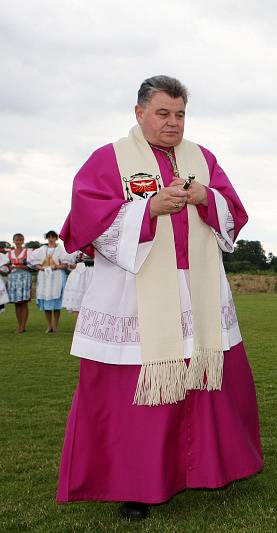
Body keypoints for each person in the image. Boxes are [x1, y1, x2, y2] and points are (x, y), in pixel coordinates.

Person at [56, 75, 262, 520]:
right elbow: (85, 220)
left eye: (181, 114)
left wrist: (205, 196)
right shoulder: (109, 159)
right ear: (139, 113)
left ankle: (206, 469)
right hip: (136, 294)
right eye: (163, 113)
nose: (173, 123)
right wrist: (148, 208)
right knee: (134, 397)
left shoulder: (202, 158)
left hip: (198, 291)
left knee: (203, 385)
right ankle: (136, 483)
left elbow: (233, 210)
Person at [30, 230, 70, 332]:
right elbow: (34, 262)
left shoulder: (61, 249)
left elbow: (65, 264)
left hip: (57, 276)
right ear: (47, 238)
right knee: (46, 302)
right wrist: (40, 267)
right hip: (44, 277)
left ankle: (55, 326)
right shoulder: (42, 249)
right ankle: (49, 325)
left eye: (53, 237)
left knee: (56, 304)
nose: (51, 239)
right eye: (49, 237)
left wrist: (56, 267)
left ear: (56, 238)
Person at [3, 233, 33, 332]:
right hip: (13, 278)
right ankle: (19, 325)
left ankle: (23, 326)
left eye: (20, 240)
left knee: (23, 302)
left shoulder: (28, 252)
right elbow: (5, 267)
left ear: (23, 241)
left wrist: (19, 266)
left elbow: (31, 266)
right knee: (17, 303)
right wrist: (9, 268)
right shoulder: (9, 253)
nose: (18, 242)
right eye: (17, 240)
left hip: (24, 277)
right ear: (14, 241)